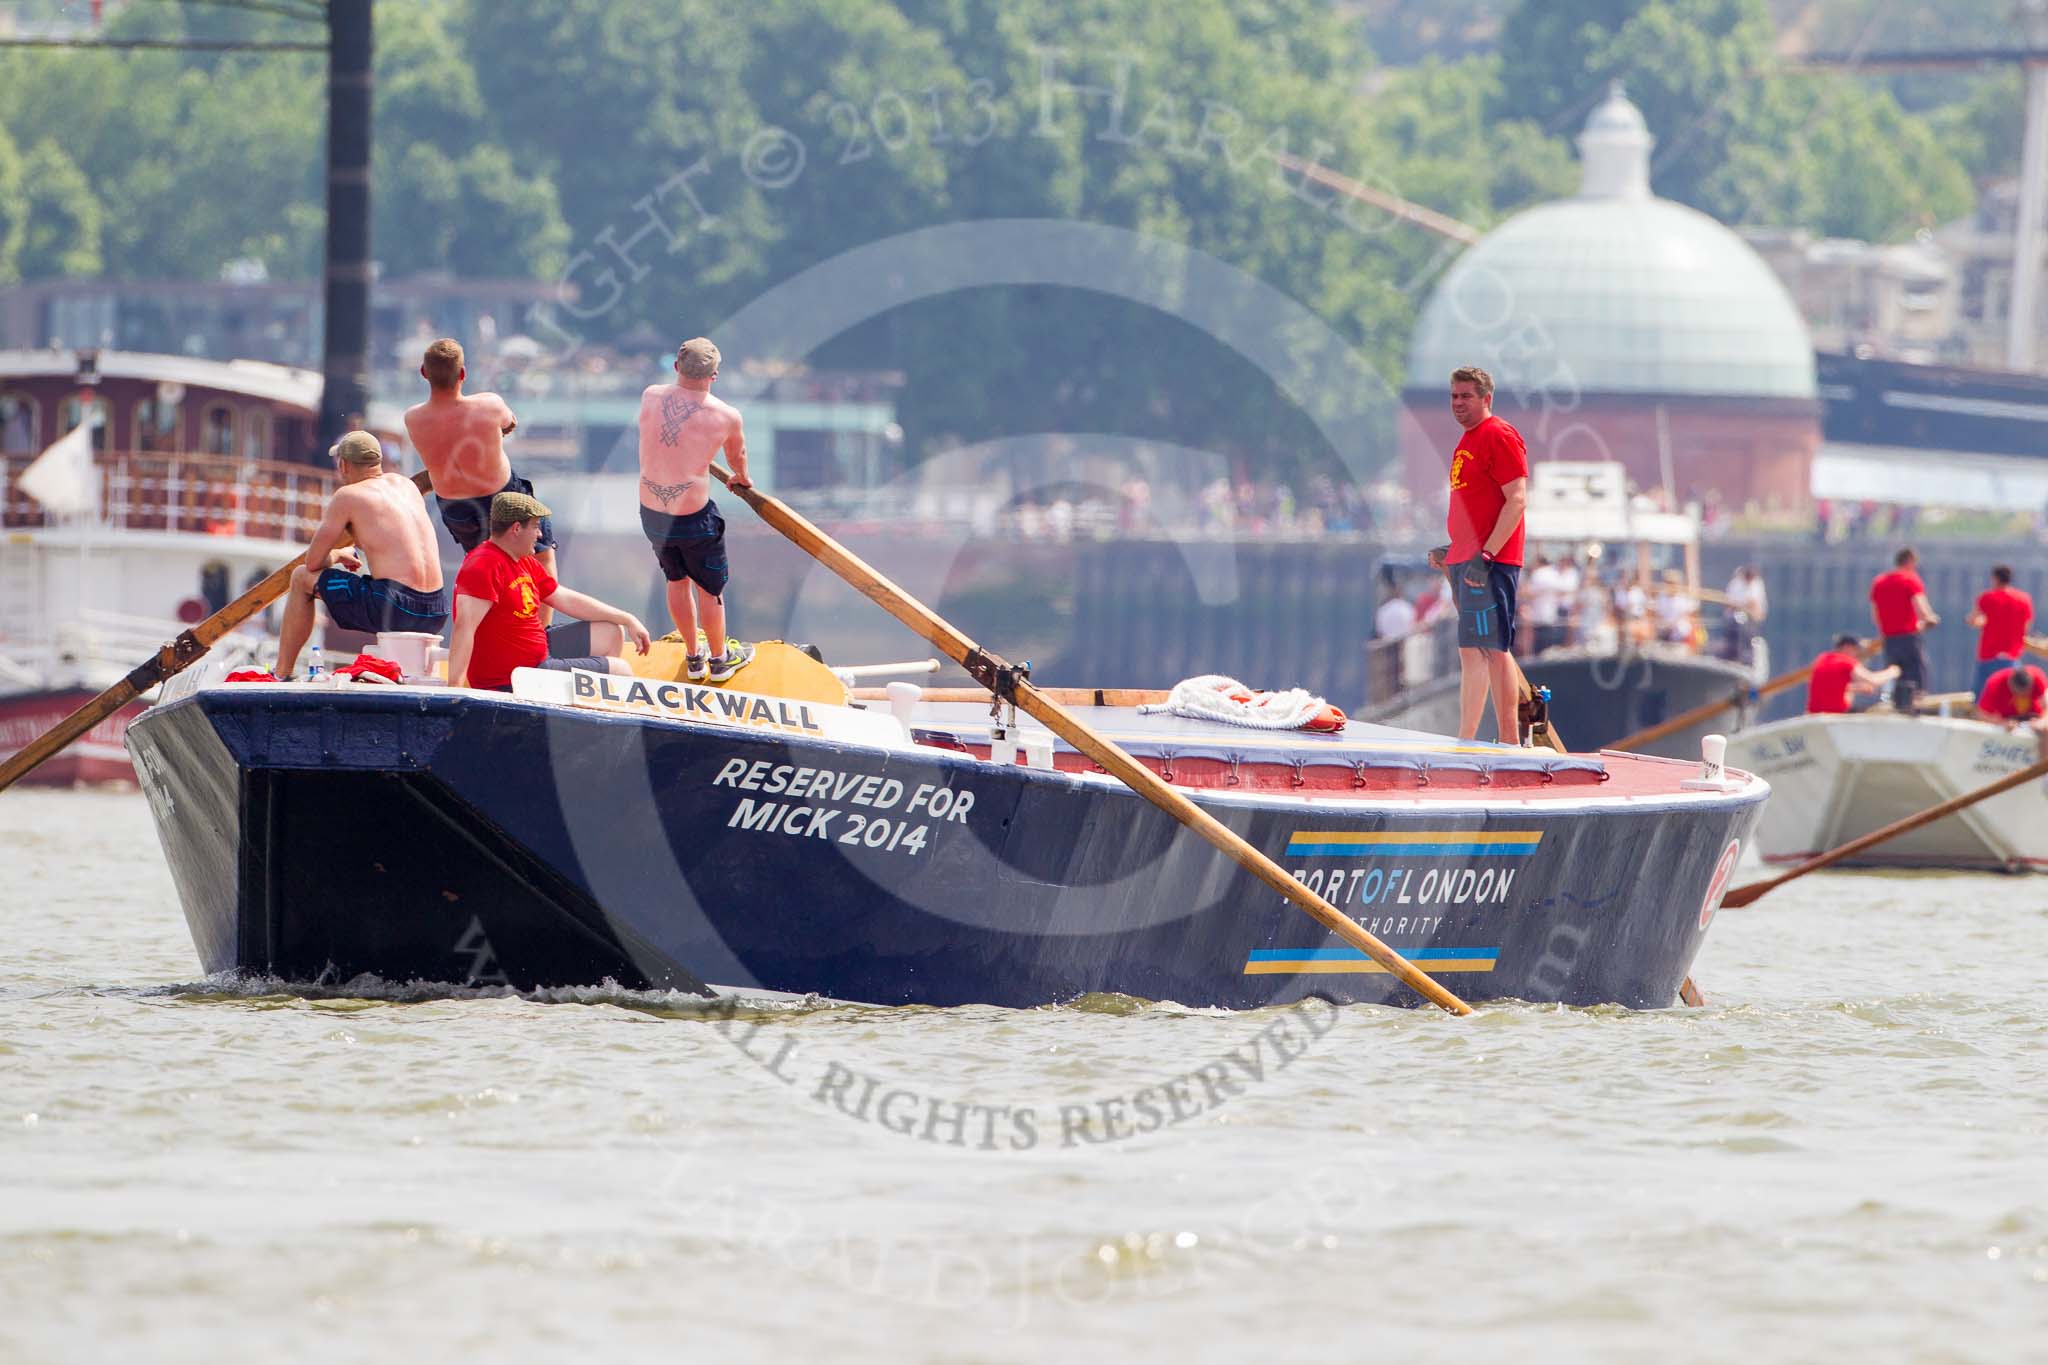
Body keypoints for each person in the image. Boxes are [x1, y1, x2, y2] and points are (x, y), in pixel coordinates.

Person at [403, 337, 557, 620]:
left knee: (489, 570)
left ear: (424, 373)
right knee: (541, 557)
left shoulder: (413, 418)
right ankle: (540, 635)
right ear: (463, 374)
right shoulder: (489, 404)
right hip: (503, 498)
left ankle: (497, 634)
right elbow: (510, 422)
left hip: (456, 508)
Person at [276, 432, 449, 679]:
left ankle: (282, 673)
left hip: (395, 608)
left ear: (343, 465)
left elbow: (312, 562)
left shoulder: (348, 496)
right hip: (436, 610)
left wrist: (337, 554)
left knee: (301, 577)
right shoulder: (406, 486)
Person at [445, 492, 651, 692]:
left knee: (611, 632)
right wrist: (454, 690)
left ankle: (579, 709)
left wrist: (627, 618)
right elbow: (465, 627)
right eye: (535, 527)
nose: (540, 534)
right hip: (515, 676)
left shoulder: (522, 560)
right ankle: (576, 718)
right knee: (620, 672)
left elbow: (564, 598)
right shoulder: (483, 564)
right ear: (516, 528)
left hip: (538, 654)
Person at [637, 337, 755, 682]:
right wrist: (741, 478)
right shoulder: (726, 415)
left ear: (676, 367)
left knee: (676, 580)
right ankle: (719, 659)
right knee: (709, 589)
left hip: (652, 512)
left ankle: (693, 655)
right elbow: (738, 459)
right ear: (714, 375)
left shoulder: (650, 396)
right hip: (693, 517)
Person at [1433, 365, 1528, 742]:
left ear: (1486, 399)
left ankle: (1509, 740)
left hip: (1490, 562)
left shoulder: (1497, 435)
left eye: (1466, 396)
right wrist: (1453, 550)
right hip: (1467, 557)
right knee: (1471, 652)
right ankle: (1466, 739)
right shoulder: (1468, 439)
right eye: (1454, 396)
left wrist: (1486, 555)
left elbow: (1516, 499)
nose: (1457, 403)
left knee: (1493, 648)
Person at [1870, 546, 1939, 709]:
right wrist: (1931, 619)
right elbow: (1922, 609)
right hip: (1908, 638)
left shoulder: (1879, 582)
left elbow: (1875, 615)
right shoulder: (1910, 579)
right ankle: (1915, 707)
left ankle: (1896, 706)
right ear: (1910, 561)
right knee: (1916, 678)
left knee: (1895, 675)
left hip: (1889, 640)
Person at [1965, 564, 2034, 693]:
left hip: (1988, 655)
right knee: (2011, 694)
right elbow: (2026, 626)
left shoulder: (1987, 598)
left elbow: (1973, 620)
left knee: (1982, 696)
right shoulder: (2024, 599)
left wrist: (1982, 623)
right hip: (2012, 656)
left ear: (1995, 579)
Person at [1806, 635, 1898, 714]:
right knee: (1877, 711)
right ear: (1847, 647)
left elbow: (1830, 686)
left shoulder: (1822, 659)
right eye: (1856, 649)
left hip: (1814, 713)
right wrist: (1893, 671)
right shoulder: (1846, 662)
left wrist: (1856, 688)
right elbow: (1873, 680)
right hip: (1836, 713)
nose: (1857, 653)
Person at [1523, 554, 1567, 654]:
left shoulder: (1539, 573)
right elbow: (1563, 592)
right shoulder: (1554, 573)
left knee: (1539, 648)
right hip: (1551, 615)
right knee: (1549, 649)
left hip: (1539, 616)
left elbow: (1529, 593)